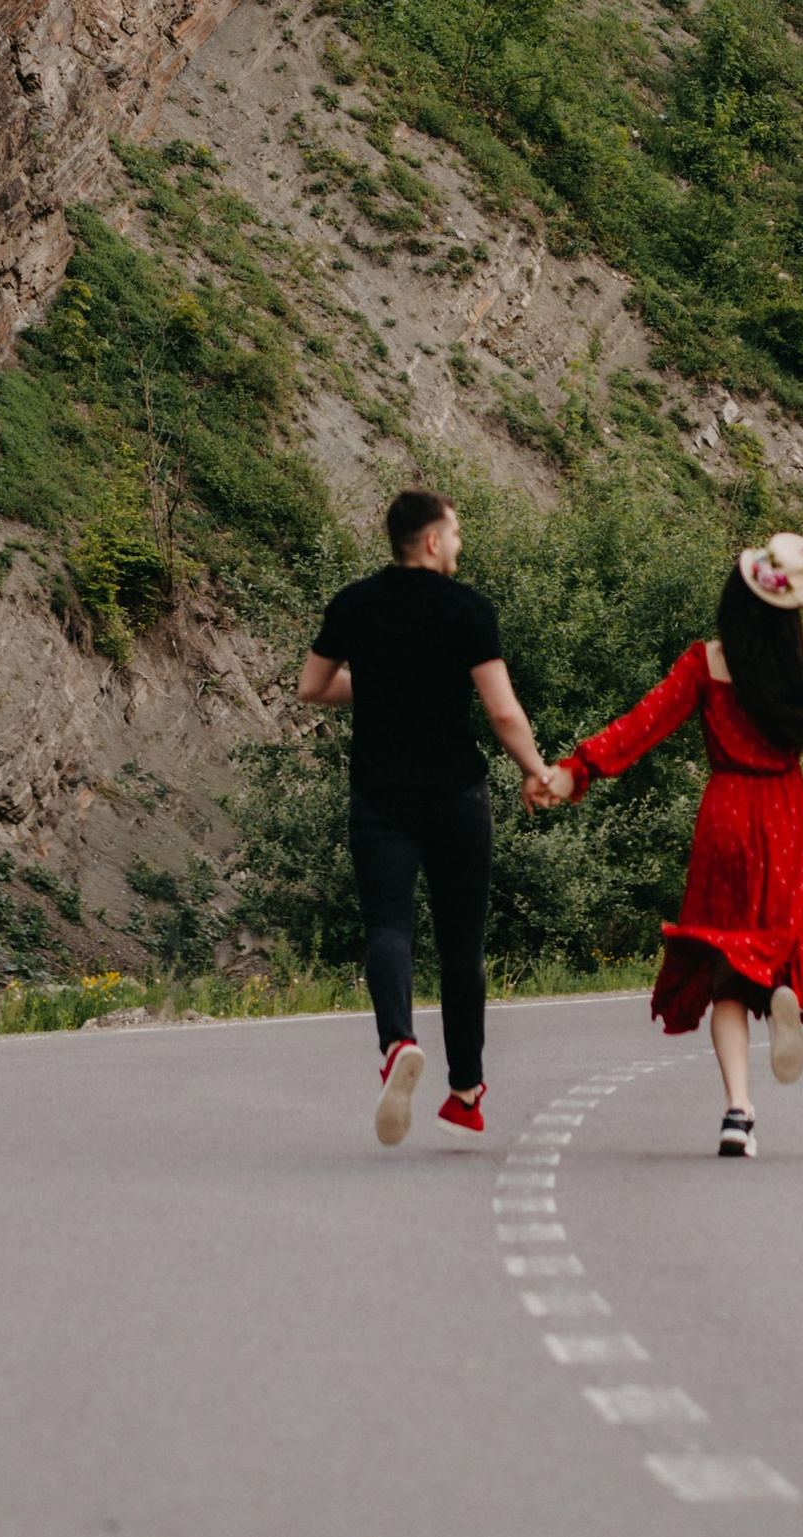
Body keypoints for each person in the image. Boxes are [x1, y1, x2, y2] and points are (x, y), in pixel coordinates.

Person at [526, 532, 803, 1158]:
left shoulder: (704, 662)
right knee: (776, 938)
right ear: (792, 608)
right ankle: (784, 988)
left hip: (726, 815)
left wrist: (576, 770)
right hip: (783, 811)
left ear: (736, 597)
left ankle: (738, 1111)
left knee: (726, 970)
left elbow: (642, 724)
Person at [299, 489, 556, 1145]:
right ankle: (466, 1092)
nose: (461, 544)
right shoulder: (467, 608)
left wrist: (382, 679)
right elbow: (502, 711)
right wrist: (535, 767)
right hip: (455, 794)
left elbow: (314, 686)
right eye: (458, 531)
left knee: (388, 923)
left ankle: (397, 1043)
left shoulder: (354, 602)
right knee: (461, 943)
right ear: (434, 540)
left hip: (380, 793)